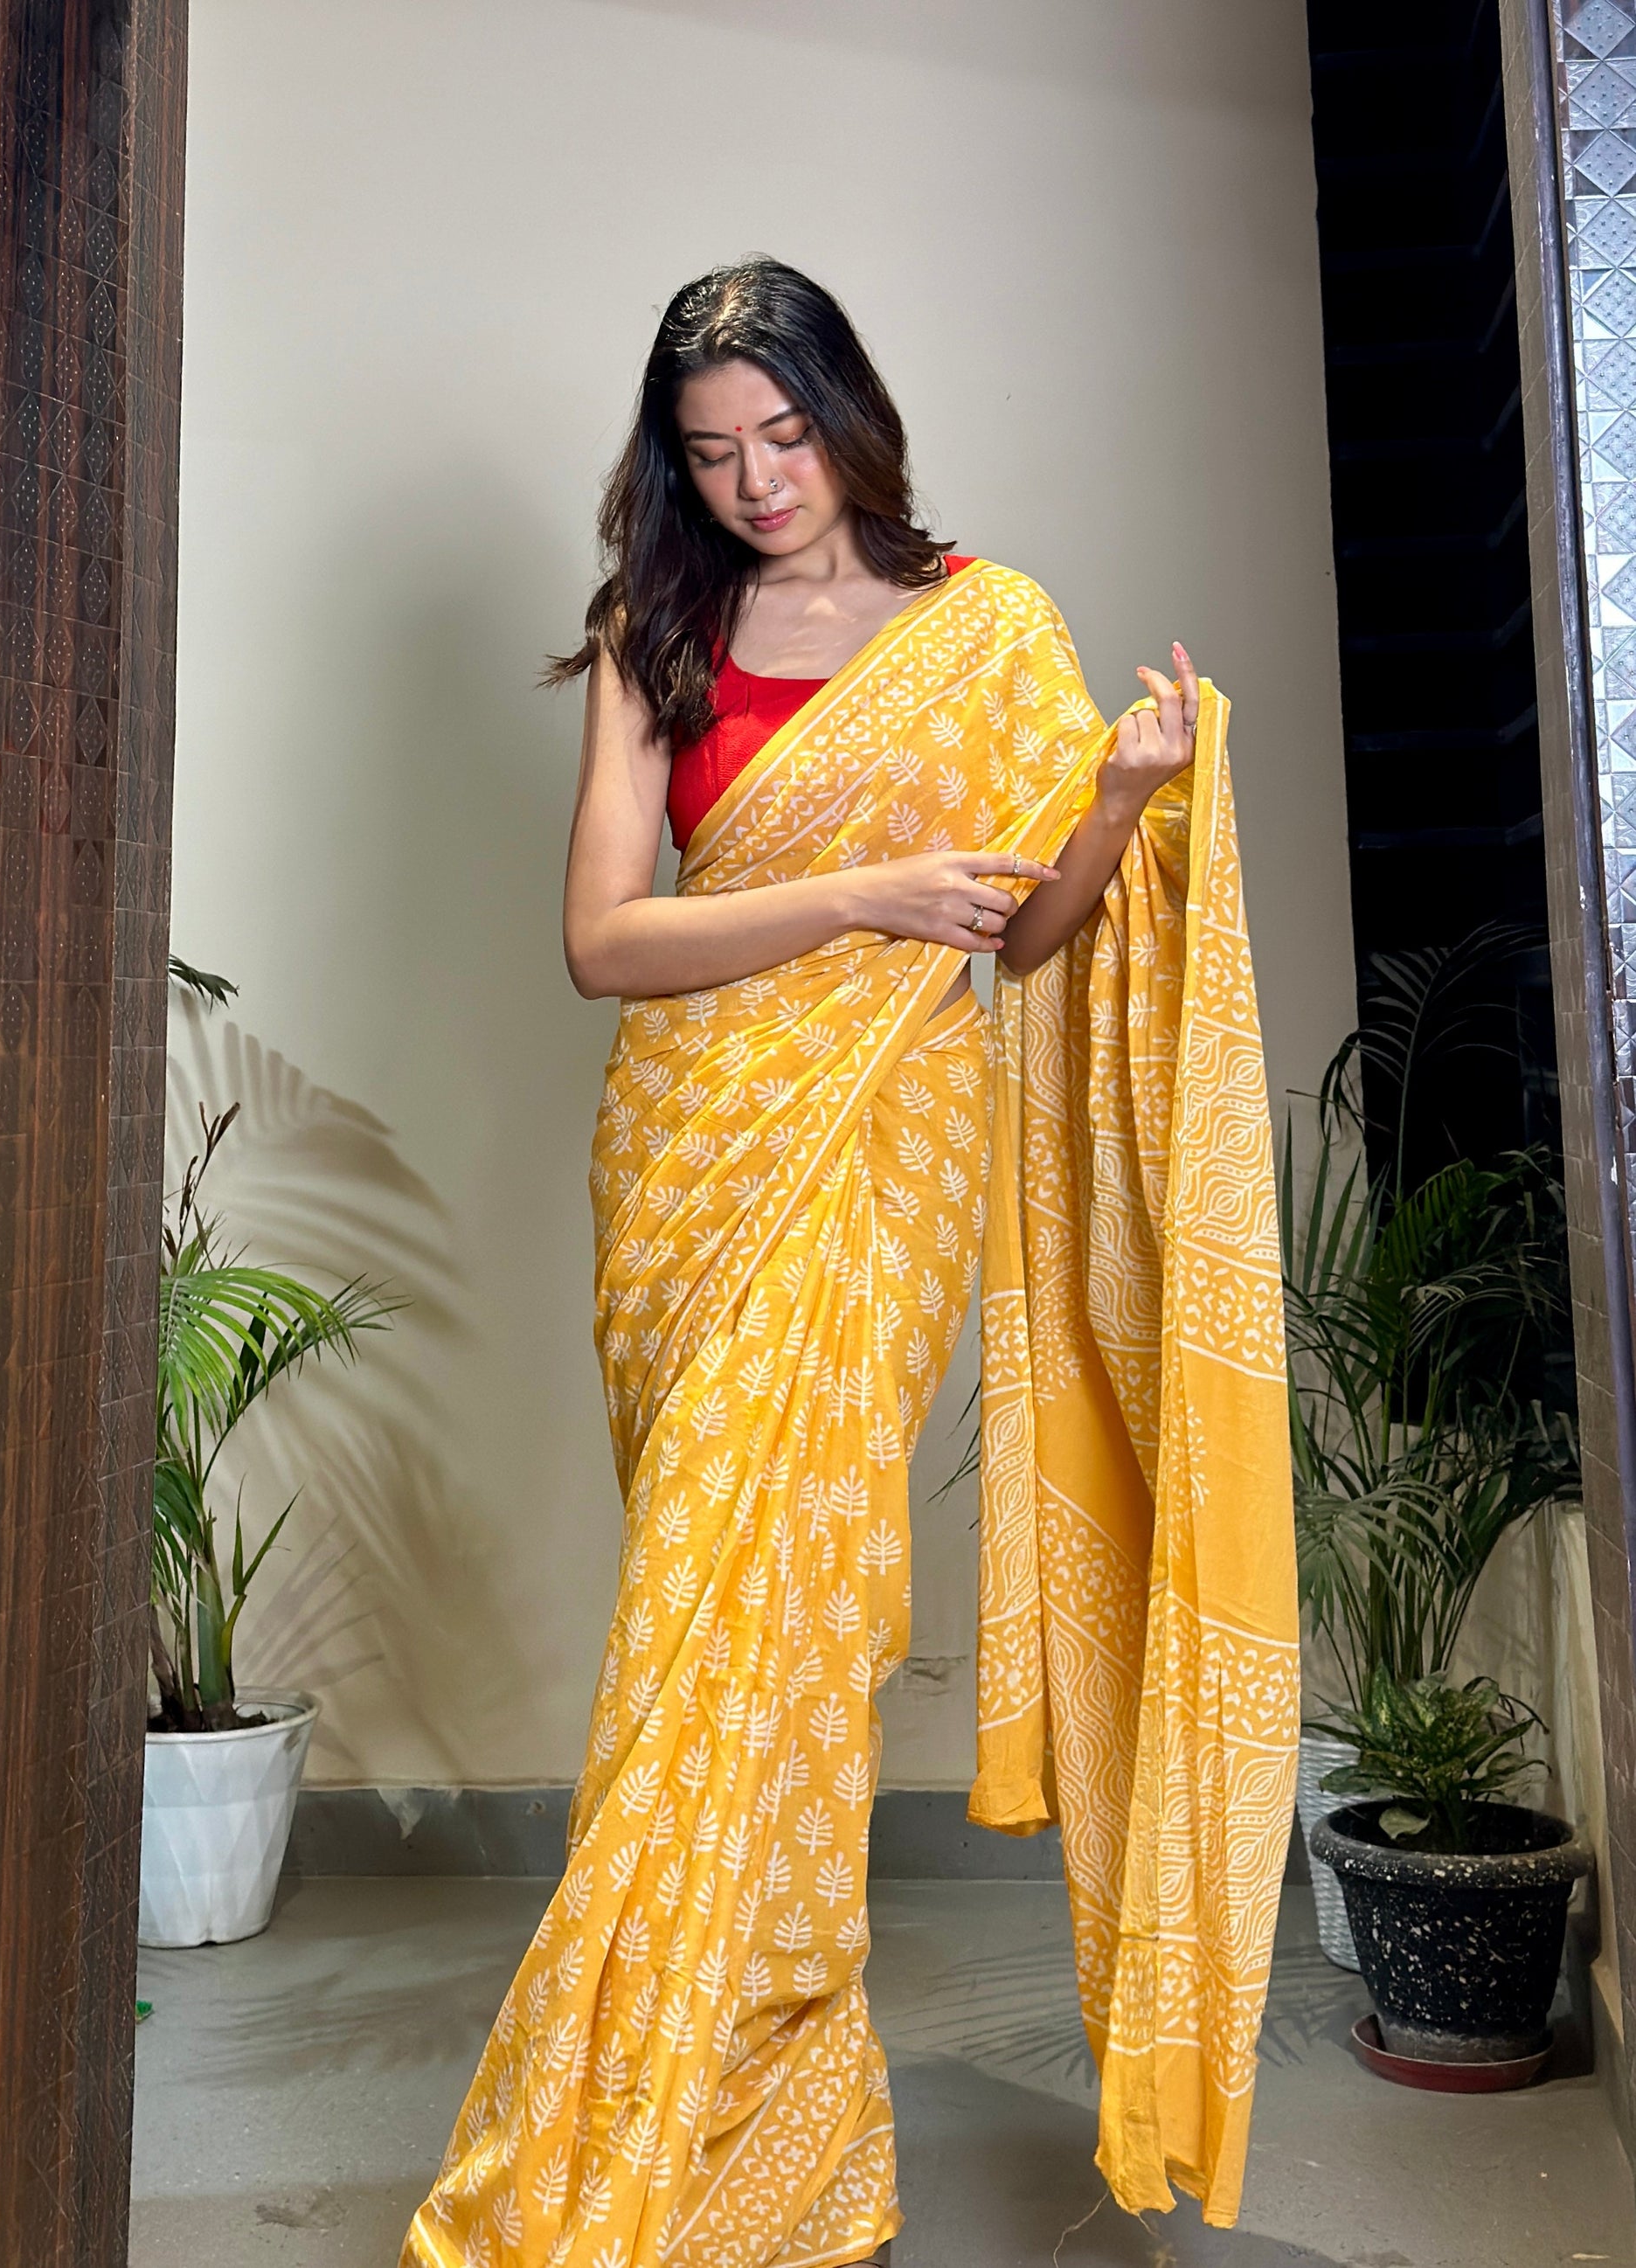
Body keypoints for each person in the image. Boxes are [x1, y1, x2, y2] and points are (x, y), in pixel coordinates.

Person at [401, 260, 1297, 2268]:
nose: (756, 481)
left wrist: (1120, 797)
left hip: (883, 1156)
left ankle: (711, 2133)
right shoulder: (655, 633)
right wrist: (858, 891)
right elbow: (603, 940)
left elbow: (1026, 933)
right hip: (689, 1158)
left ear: (847, 415)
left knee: (787, 1632)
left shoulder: (987, 628)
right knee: (704, 1631)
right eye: (712, 451)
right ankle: (728, 2133)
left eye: (783, 435)